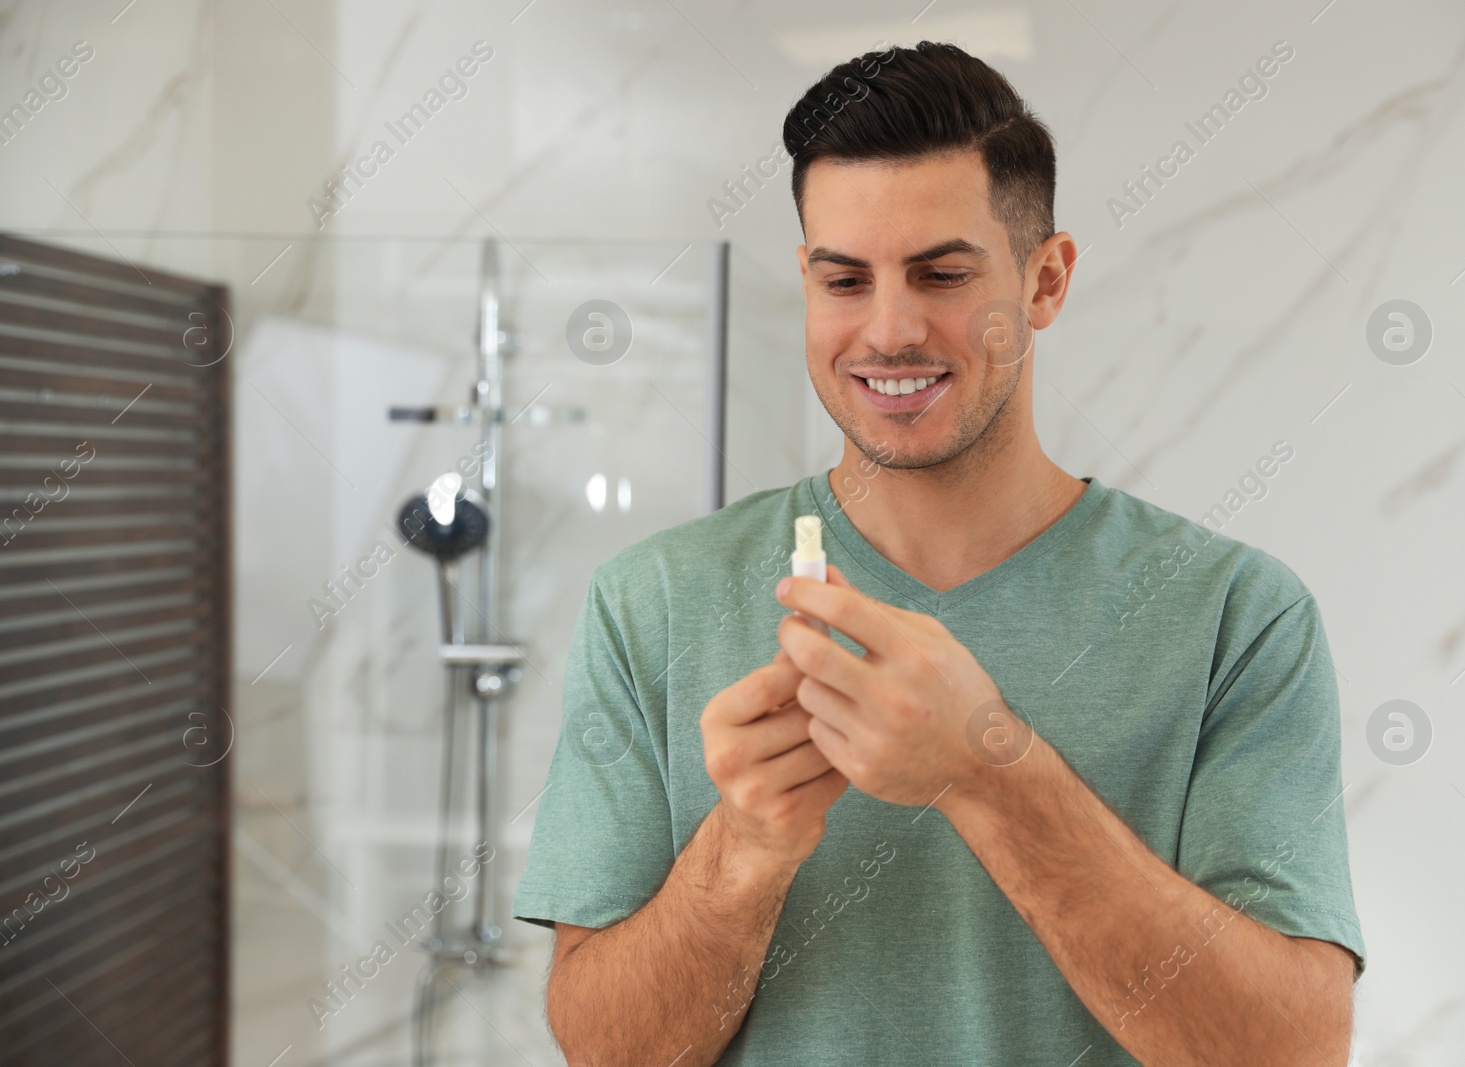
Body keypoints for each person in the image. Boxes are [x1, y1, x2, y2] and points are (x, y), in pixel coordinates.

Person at [513, 40, 1364, 1067]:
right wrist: (745, 846)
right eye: (845, 278)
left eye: (942, 272)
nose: (889, 328)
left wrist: (987, 769)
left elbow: (1288, 1051)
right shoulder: (650, 599)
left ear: (1045, 279)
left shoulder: (1235, 614)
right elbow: (605, 1051)